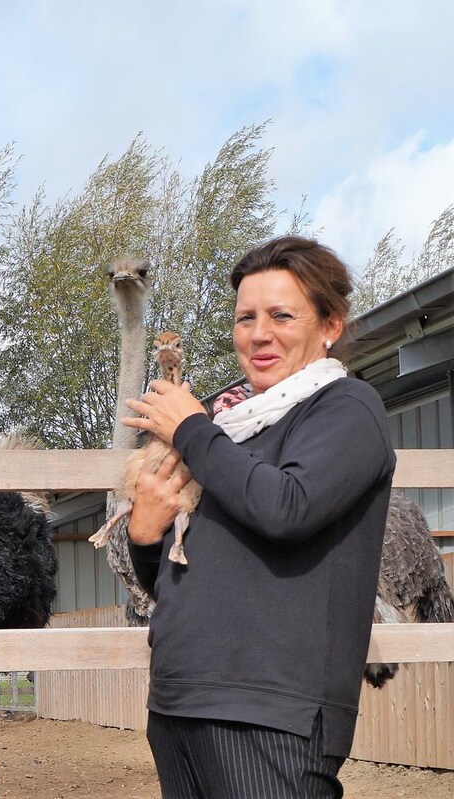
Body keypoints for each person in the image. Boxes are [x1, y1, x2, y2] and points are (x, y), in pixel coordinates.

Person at [122, 235, 394, 797]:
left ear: (331, 326)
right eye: (246, 317)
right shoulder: (232, 429)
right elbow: (175, 580)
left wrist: (190, 429)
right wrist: (145, 535)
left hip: (273, 713)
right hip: (179, 702)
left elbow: (286, 508)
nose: (259, 333)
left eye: (281, 316)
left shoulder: (347, 409)